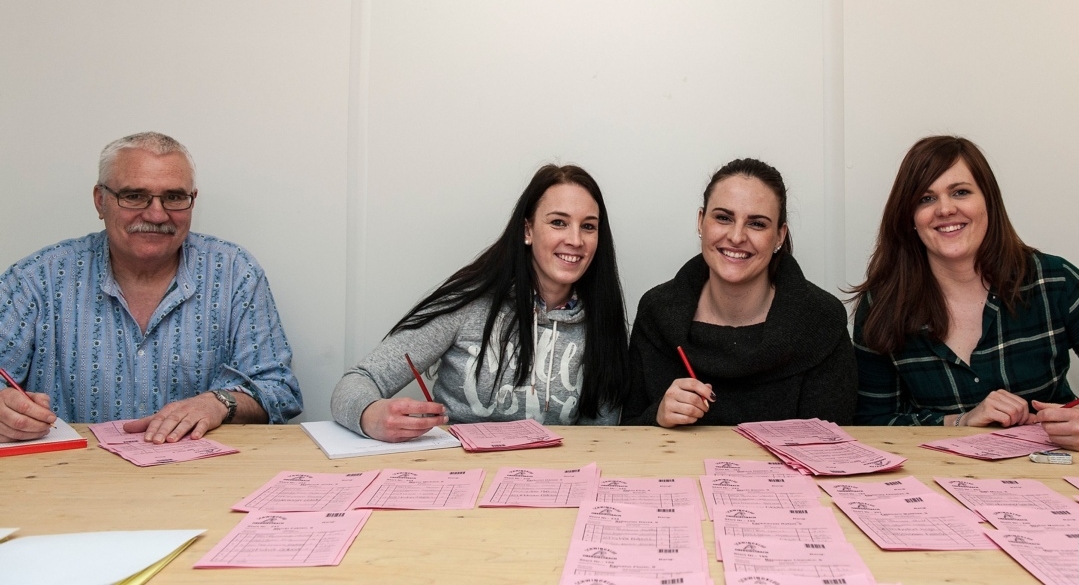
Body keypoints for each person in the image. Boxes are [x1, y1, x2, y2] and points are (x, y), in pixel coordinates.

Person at [851, 135, 1079, 450]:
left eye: (960, 192)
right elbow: (870, 425)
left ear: (989, 202)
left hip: (1052, 477)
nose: (945, 209)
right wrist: (961, 421)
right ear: (910, 218)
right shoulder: (883, 303)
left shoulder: (1054, 282)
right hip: (936, 484)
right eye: (926, 199)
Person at [0, 132, 303, 445]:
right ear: (100, 200)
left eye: (174, 197)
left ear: (192, 200)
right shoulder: (36, 279)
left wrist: (219, 403)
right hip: (68, 469)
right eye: (134, 196)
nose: (156, 214)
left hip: (201, 471)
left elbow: (279, 391)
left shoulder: (234, 273)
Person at [332, 164, 628, 441]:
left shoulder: (605, 323)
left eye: (588, 226)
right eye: (558, 222)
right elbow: (356, 381)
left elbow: (598, 441)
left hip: (551, 476)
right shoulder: (467, 304)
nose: (575, 240)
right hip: (458, 471)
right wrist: (370, 415)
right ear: (527, 230)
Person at [622, 158, 855, 428]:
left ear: (780, 236)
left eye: (757, 224)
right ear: (701, 221)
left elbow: (835, 442)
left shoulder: (822, 321)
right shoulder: (656, 312)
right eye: (723, 218)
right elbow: (627, 431)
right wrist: (657, 415)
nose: (736, 236)